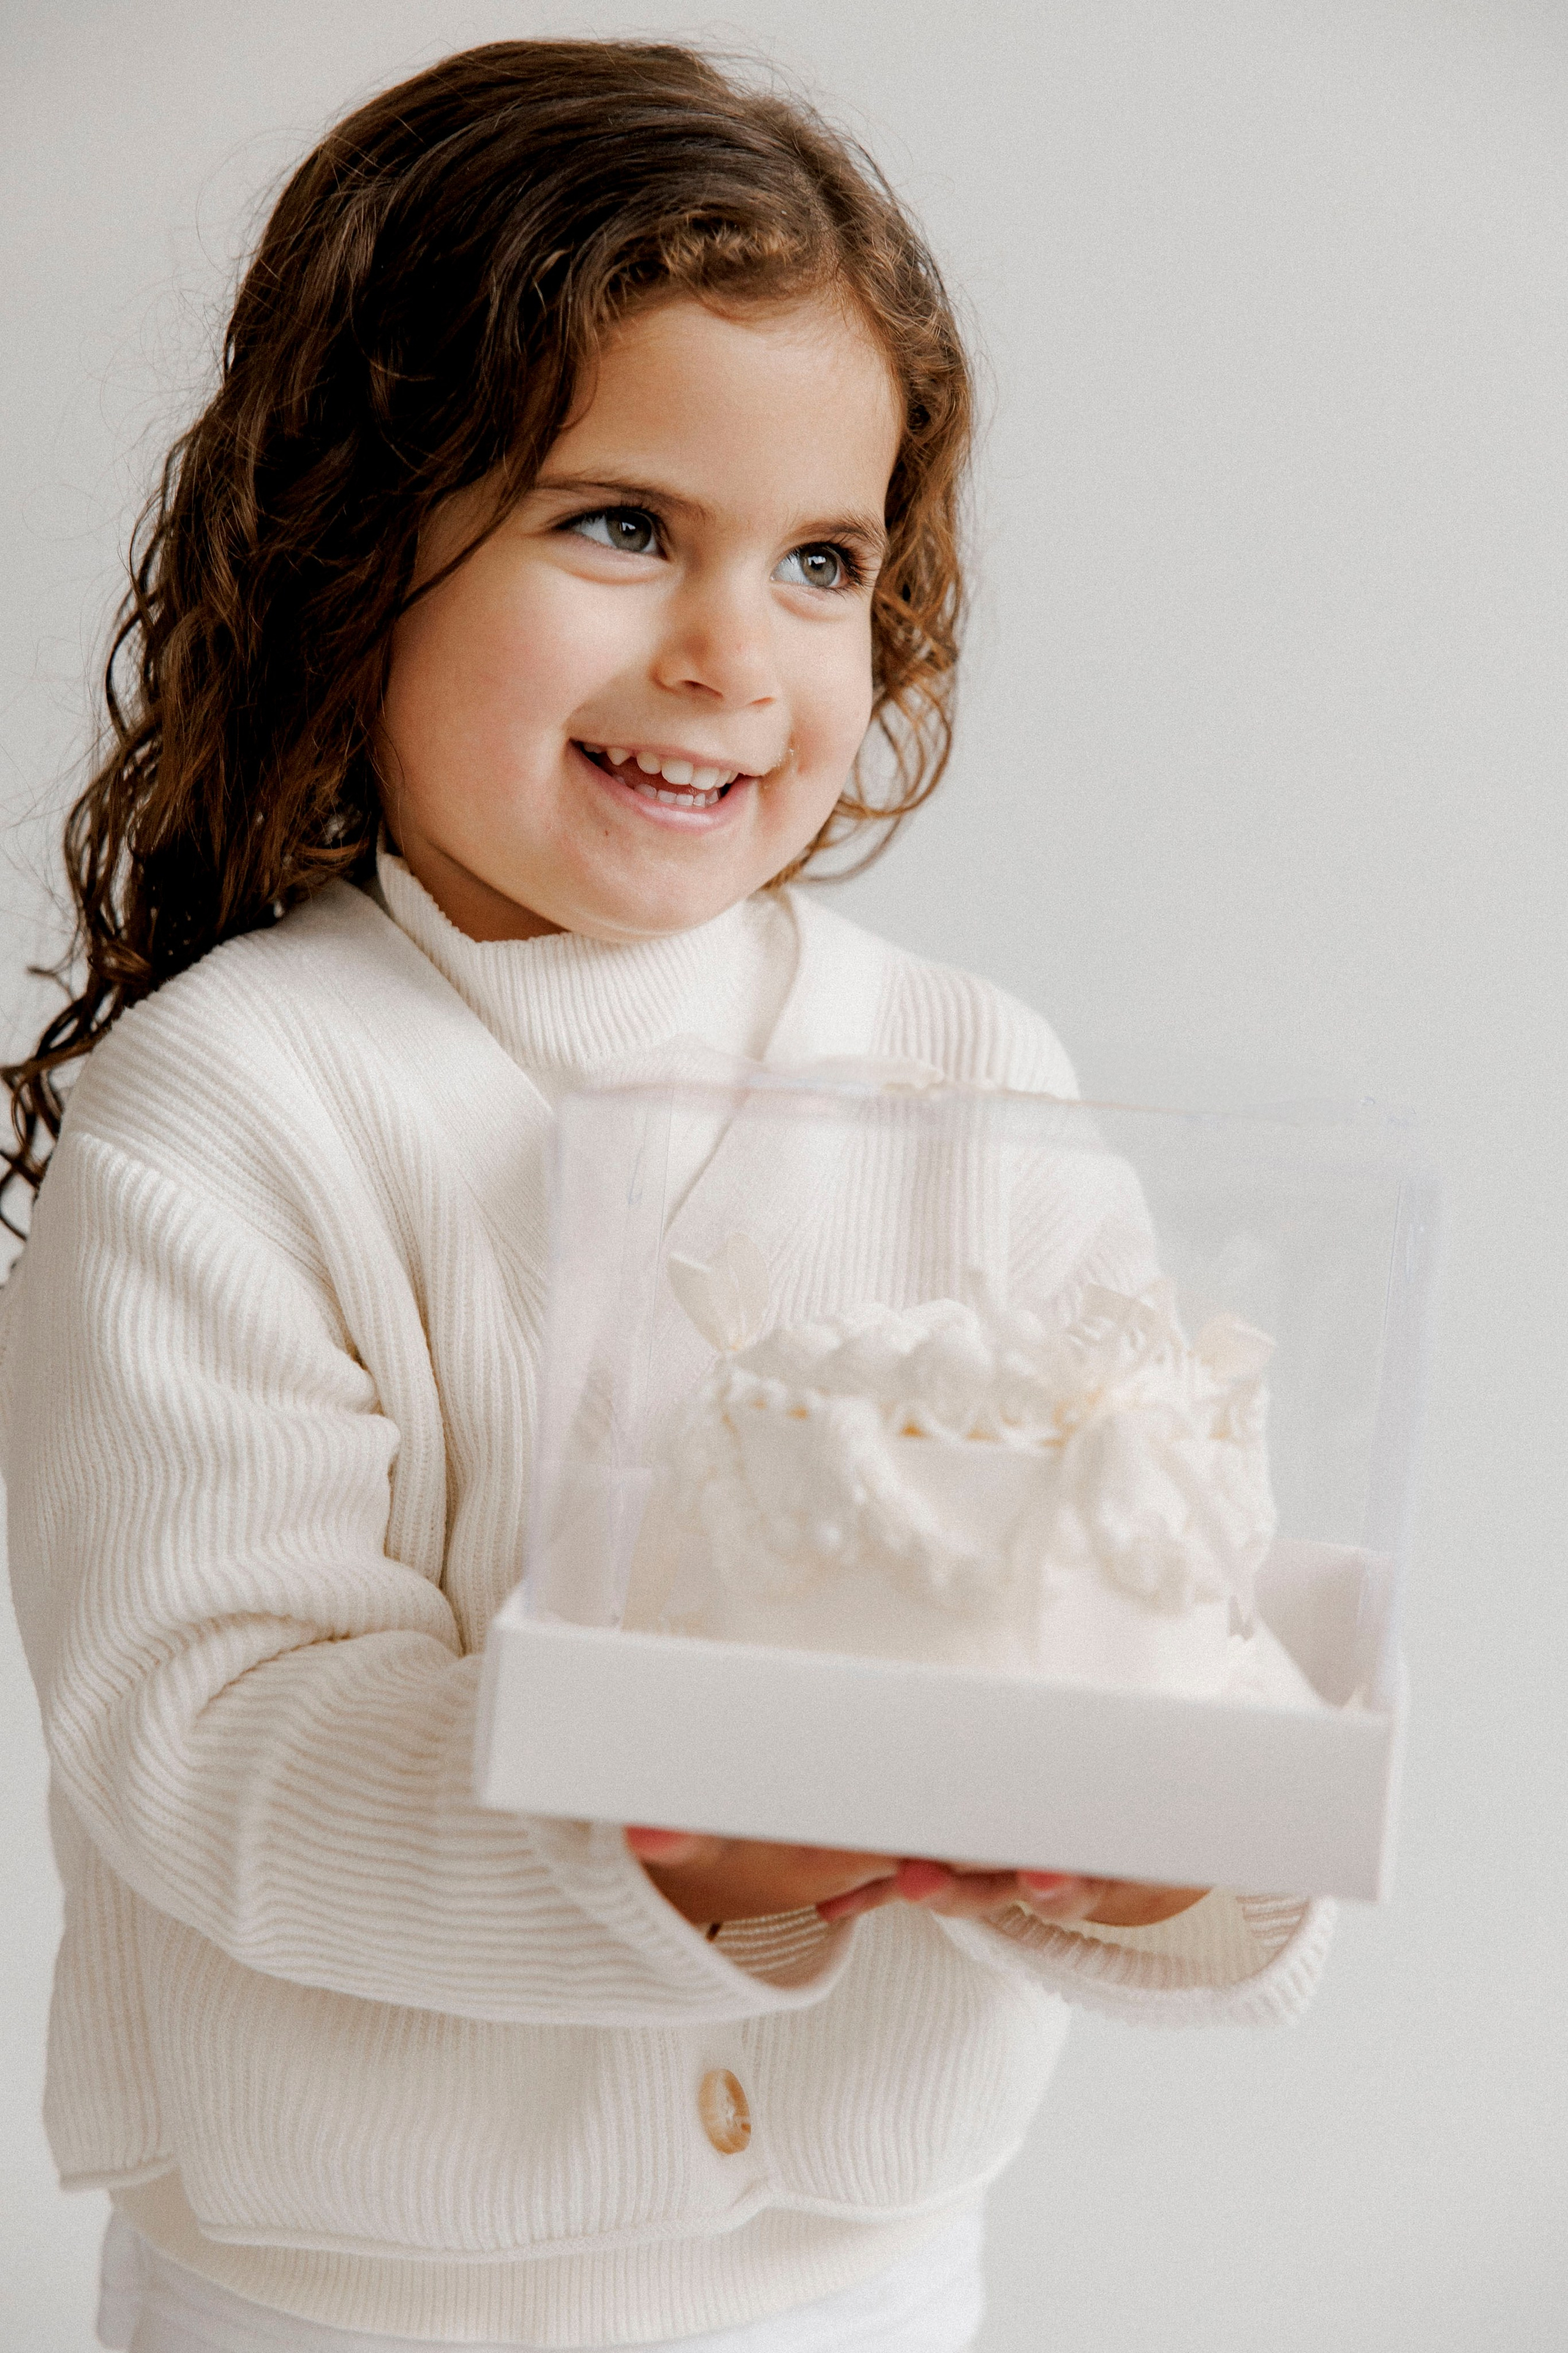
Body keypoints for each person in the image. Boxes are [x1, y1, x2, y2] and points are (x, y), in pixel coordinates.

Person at [1, 41, 1333, 2353]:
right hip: (335, 2304)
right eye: (622, 524)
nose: (733, 649)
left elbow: (1177, 1583)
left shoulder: (962, 1079)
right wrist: (669, 1835)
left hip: (871, 2284)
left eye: (822, 560)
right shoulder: (237, 1114)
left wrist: (1177, 1830)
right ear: (354, 541)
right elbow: (210, 1736)